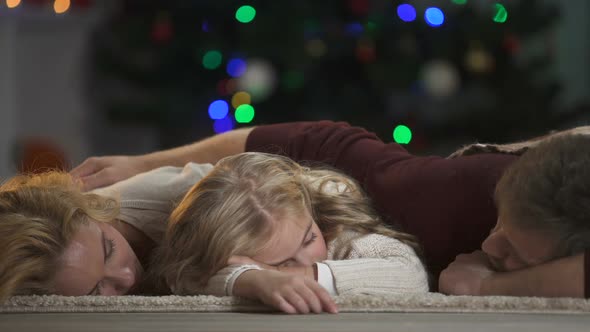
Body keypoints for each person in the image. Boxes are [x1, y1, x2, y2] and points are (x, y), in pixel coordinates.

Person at [72, 121, 590, 298]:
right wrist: (148, 161)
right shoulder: (454, 190)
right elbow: (316, 140)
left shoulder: (348, 232)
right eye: (497, 224)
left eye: (515, 248)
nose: (491, 244)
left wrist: (491, 285)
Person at [149, 152, 429, 314]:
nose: (307, 260)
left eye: (308, 239)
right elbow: (186, 277)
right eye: (282, 263)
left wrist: (301, 277)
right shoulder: (213, 256)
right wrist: (254, 280)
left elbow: (410, 274)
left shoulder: (334, 225)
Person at [0, 162, 213, 301]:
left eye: (109, 249)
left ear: (92, 211)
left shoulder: (179, 195)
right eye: (97, 290)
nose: (127, 278)